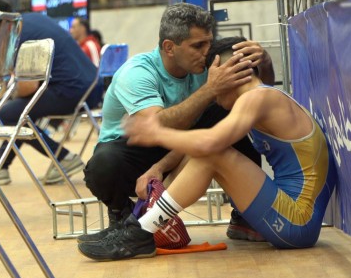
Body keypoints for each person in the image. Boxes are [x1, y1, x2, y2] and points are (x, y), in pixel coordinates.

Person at [77, 36, 336, 261]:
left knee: (213, 151)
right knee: (206, 149)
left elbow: (210, 144)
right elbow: (200, 143)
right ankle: (139, 225)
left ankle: (140, 231)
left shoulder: (257, 99)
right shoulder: (263, 96)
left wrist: (156, 132)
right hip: (293, 216)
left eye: (213, 81)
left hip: (297, 222)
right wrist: (159, 166)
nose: (212, 92)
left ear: (229, 74)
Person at [80, 3, 275, 239]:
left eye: (209, 43)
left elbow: (260, 97)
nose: (207, 52)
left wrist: (264, 62)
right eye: (198, 46)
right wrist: (211, 89)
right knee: (103, 164)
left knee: (234, 112)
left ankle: (244, 215)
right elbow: (156, 127)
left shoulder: (209, 64)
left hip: (182, 145)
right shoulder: (136, 72)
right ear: (169, 47)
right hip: (138, 149)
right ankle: (123, 215)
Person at [0, 0, 100, 185]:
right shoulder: (33, 18)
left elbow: (28, 87)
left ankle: (64, 158)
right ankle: (1, 166)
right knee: (20, 113)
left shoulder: (15, 34)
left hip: (73, 91)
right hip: (92, 88)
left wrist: (9, 93)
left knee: (6, 114)